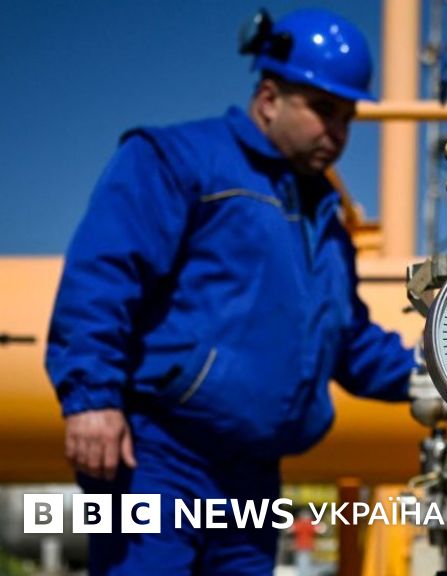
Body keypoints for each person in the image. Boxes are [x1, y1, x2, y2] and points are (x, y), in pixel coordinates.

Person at [45, 8, 416, 575]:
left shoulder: (324, 221)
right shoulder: (179, 161)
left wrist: (444, 377)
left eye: (347, 117)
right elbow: (104, 276)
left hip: (253, 474)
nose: (338, 133)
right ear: (268, 98)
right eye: (323, 110)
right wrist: (92, 399)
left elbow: (347, 341)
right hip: (155, 455)